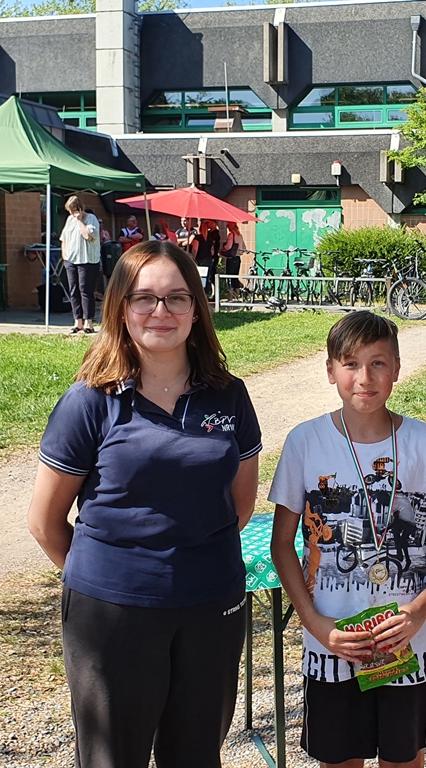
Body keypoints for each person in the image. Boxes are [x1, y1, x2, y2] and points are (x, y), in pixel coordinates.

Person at [27, 240, 261, 768]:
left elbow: (239, 504)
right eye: (144, 298)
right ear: (120, 308)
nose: (162, 311)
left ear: (197, 309)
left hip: (211, 605)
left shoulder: (228, 395)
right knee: (113, 758)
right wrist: (111, 579)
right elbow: (44, 522)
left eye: (177, 297)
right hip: (111, 614)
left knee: (196, 756)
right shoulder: (90, 400)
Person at [270, 311, 426, 768]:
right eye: (351, 364)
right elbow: (283, 544)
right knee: (339, 759)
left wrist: (418, 613)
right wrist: (316, 625)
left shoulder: (424, 443)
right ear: (330, 371)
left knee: (404, 758)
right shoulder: (304, 442)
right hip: (333, 641)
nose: (365, 377)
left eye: (378, 363)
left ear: (396, 369)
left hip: (406, 641)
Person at [59, 196, 101, 335]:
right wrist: (64, 256)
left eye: (73, 210)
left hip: (87, 260)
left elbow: (88, 236)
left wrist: (80, 221)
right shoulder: (69, 220)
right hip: (71, 260)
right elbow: (64, 238)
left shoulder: (91, 219)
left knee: (86, 291)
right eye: (70, 211)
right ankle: (78, 322)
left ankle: (89, 322)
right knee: (74, 291)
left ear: (80, 208)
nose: (72, 214)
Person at [220, 221, 243, 301]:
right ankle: (237, 296)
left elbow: (228, 246)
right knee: (235, 277)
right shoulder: (240, 235)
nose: (227, 226)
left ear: (232, 225)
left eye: (228, 225)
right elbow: (243, 247)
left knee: (229, 277)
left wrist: (222, 250)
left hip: (231, 258)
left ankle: (230, 297)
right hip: (238, 258)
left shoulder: (231, 234)